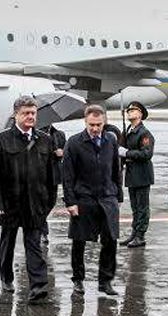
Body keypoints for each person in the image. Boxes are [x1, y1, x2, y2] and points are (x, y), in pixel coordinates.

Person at [0, 95, 55, 303]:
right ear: (15, 115)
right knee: (7, 243)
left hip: (35, 203)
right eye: (25, 113)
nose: (30, 117)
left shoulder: (45, 140)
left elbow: (52, 176)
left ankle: (38, 287)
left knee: (34, 244)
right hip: (10, 204)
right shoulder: (1, 141)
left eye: (33, 113)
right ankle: (6, 278)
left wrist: (48, 203)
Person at [62, 104, 123, 297]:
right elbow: (68, 176)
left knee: (110, 241)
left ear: (104, 122)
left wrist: (117, 196)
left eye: (98, 124)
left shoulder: (110, 141)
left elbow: (116, 169)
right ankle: (78, 280)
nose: (95, 129)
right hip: (84, 198)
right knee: (79, 242)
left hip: (107, 198)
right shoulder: (74, 142)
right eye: (92, 125)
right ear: (85, 122)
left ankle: (105, 281)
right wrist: (71, 202)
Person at [118, 101, 155, 248]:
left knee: (142, 207)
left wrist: (127, 153)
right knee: (134, 207)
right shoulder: (128, 131)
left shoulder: (144, 133)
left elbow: (146, 154)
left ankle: (140, 236)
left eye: (133, 110)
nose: (129, 112)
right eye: (128, 110)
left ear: (140, 114)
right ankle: (134, 234)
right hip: (132, 174)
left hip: (142, 174)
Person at [41, 122, 66, 244]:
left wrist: (61, 152)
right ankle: (43, 231)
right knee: (40, 203)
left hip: (53, 174)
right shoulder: (36, 134)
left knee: (51, 202)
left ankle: (40, 223)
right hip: (39, 175)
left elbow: (65, 150)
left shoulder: (59, 134)